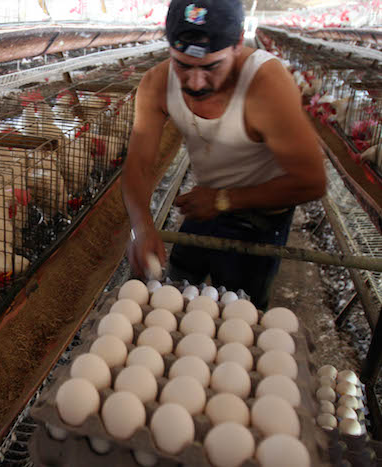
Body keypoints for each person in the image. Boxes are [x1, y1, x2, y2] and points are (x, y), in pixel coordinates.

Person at [122, 0, 326, 310]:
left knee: (240, 310)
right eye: (182, 65)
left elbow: (312, 182)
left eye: (211, 67)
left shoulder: (266, 86)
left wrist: (224, 199)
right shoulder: (157, 84)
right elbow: (137, 164)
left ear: (238, 44)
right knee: (175, 289)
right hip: (205, 205)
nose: (195, 82)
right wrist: (141, 224)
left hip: (261, 216)